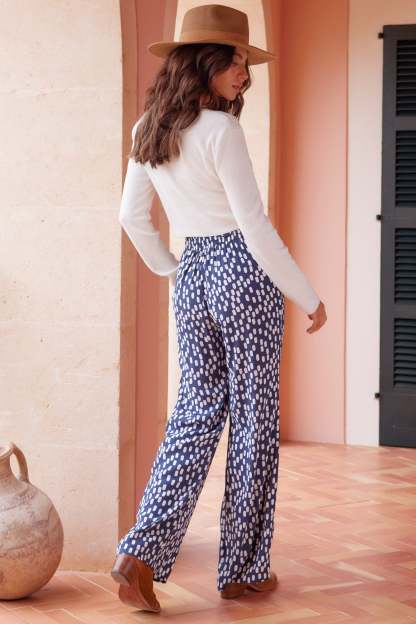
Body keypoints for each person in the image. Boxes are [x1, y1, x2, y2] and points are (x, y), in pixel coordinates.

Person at [110, 3, 327, 613]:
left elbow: (131, 217)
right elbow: (254, 227)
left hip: (194, 272)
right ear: (203, 61)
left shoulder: (148, 127)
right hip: (241, 270)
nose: (243, 73)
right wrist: (307, 295)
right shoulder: (222, 131)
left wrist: (173, 269)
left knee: (195, 412)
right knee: (255, 417)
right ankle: (241, 569)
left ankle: (138, 555)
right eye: (234, 61)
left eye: (245, 64)